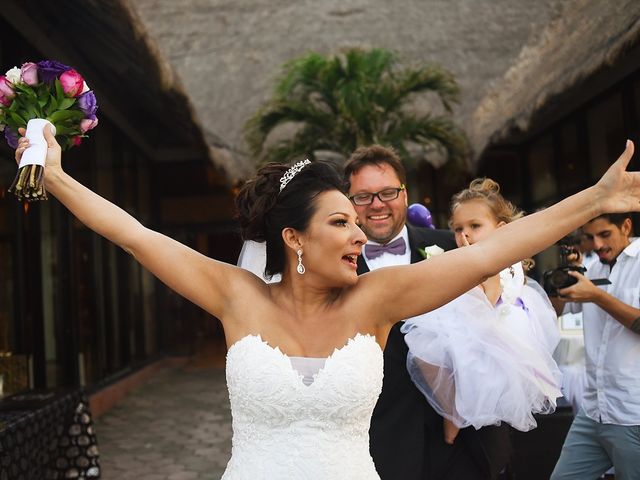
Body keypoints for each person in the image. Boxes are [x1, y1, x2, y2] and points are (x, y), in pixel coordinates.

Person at [14, 128, 639, 480]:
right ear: (294, 239)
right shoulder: (237, 297)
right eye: (341, 222)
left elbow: (484, 255)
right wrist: (59, 176)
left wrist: (592, 200)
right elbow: (134, 235)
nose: (360, 235)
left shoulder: (378, 299)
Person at [344, 146, 511, 480]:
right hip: (382, 441)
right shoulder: (338, 266)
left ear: (405, 195)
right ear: (350, 204)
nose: (377, 204)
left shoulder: (455, 245)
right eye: (363, 196)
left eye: (387, 192)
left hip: (468, 437)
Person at [401, 178, 562, 446]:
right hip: (483, 330)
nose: (465, 235)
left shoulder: (490, 267)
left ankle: (453, 414)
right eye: (458, 229)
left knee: (424, 344)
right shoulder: (499, 263)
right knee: (425, 347)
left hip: (488, 335)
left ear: (500, 229)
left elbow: (485, 309)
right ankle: (454, 410)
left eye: (475, 226)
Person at [550, 213, 640, 480]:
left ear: (626, 226)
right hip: (594, 410)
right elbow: (557, 310)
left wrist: (597, 296)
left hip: (631, 413)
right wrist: (564, 278)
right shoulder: (595, 268)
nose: (597, 244)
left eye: (605, 234)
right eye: (590, 237)